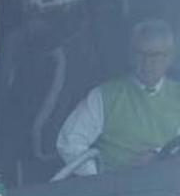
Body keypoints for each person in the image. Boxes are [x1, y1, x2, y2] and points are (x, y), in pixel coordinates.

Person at [57, 18, 180, 175]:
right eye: (140, 54)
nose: (147, 63)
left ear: (169, 58)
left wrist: (158, 155)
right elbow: (69, 142)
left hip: (166, 190)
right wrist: (96, 177)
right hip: (117, 194)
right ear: (130, 56)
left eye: (155, 55)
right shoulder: (103, 96)